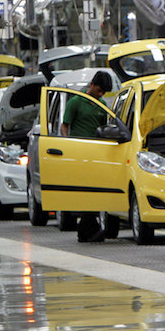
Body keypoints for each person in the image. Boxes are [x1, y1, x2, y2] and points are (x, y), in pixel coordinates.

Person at [60, 71, 113, 242]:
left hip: (96, 155)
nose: (100, 95)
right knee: (86, 192)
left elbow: (105, 130)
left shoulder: (102, 106)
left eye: (103, 92)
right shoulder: (76, 102)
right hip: (79, 154)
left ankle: (87, 230)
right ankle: (88, 229)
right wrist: (68, 145)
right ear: (91, 85)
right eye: (98, 90)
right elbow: (64, 126)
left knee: (93, 192)